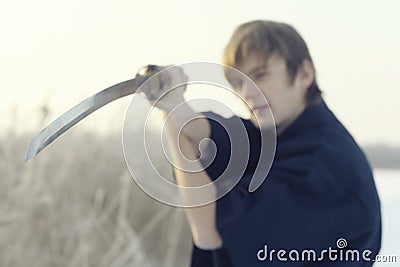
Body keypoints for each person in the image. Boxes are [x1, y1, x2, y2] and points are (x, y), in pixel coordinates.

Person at [142, 20, 381, 266]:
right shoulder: (279, 134)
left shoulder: (324, 163)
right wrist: (173, 105)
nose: (248, 91)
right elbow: (206, 135)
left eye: (261, 76)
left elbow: (210, 231)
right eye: (238, 82)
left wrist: (171, 112)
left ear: (304, 74)